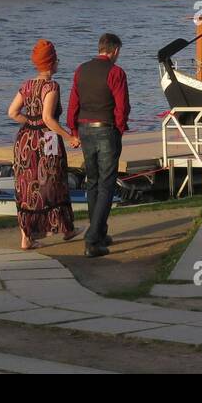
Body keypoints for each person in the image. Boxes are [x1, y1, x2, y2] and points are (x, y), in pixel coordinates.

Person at [6, 38, 80, 250]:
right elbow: (48, 119)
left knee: (26, 186)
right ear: (52, 62)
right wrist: (70, 137)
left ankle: (26, 238)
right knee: (53, 182)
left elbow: (12, 113)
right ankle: (66, 229)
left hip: (24, 140)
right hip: (46, 139)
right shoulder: (51, 86)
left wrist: (30, 121)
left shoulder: (26, 85)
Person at [67, 32, 130, 258]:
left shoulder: (80, 70)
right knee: (107, 183)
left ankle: (100, 232)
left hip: (84, 129)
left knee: (92, 182)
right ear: (114, 51)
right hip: (106, 128)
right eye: (118, 52)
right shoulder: (116, 72)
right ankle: (92, 239)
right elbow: (122, 106)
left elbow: (73, 103)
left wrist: (73, 130)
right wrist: (119, 129)